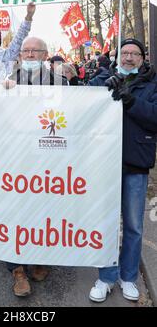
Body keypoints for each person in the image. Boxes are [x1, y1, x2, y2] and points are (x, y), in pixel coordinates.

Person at [89, 38, 157, 303]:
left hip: (134, 163)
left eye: (134, 53)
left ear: (142, 58)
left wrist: (130, 101)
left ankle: (128, 276)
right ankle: (106, 277)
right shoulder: (103, 77)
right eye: (124, 53)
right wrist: (101, 90)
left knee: (133, 226)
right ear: (117, 57)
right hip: (104, 164)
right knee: (104, 223)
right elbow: (81, 102)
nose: (128, 57)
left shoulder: (152, 84)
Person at [3, 37, 67, 297]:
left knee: (44, 209)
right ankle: (17, 269)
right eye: (25, 50)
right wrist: (1, 93)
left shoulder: (61, 83)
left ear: (45, 54)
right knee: (15, 211)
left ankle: (41, 257)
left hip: (46, 157)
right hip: (16, 157)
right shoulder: (8, 80)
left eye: (34, 51)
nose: (29, 54)